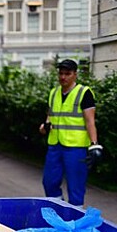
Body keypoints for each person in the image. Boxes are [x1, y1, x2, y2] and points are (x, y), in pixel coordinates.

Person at [39, 59, 103, 207]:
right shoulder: (54, 93)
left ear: (75, 74)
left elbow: (90, 121)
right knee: (49, 182)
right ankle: (60, 212)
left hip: (76, 147)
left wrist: (94, 145)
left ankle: (75, 222)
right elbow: (51, 115)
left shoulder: (84, 93)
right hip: (55, 145)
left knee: (75, 188)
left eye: (67, 74)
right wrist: (45, 126)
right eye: (61, 73)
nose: (63, 77)